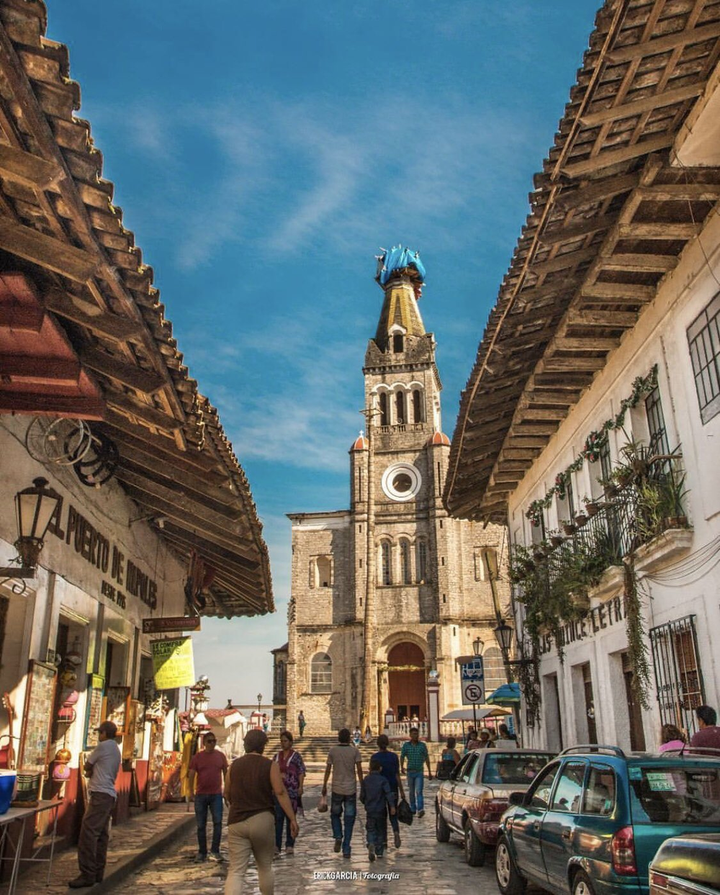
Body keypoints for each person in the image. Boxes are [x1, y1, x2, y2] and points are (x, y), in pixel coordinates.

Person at [224, 728, 297, 895]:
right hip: (262, 819)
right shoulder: (270, 765)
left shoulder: (234, 766)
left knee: (235, 870)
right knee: (265, 867)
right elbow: (280, 792)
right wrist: (292, 818)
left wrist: (235, 804)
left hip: (237, 821)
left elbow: (227, 793)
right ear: (263, 746)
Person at [69, 720, 121, 888]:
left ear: (104, 733)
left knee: (88, 834)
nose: (99, 735)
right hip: (108, 795)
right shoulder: (115, 748)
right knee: (101, 835)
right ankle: (98, 872)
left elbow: (87, 765)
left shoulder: (103, 746)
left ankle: (87, 874)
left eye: (100, 733)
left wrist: (90, 770)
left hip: (100, 794)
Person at [321, 728, 363, 858]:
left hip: (337, 788)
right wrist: (362, 786)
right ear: (349, 738)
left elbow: (328, 769)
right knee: (349, 819)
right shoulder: (354, 751)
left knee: (335, 815)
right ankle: (346, 848)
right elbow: (360, 770)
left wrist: (324, 785)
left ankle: (338, 835)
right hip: (350, 789)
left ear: (338, 737)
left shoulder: (333, 751)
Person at [188, 731, 229, 863]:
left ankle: (215, 851)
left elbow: (226, 773)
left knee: (218, 823)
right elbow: (192, 774)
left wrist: (227, 791)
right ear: (204, 743)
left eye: (214, 741)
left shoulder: (220, 756)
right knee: (201, 825)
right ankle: (202, 852)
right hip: (201, 795)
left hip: (216, 795)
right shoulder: (197, 757)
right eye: (209, 741)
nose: (212, 743)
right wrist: (190, 791)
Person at [273, 730, 305, 856]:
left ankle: (290, 844)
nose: (283, 743)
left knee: (291, 818)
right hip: (279, 791)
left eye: (285, 741)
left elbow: (301, 771)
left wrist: (301, 786)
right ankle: (277, 845)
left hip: (292, 792)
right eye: (281, 741)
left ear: (291, 742)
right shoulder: (276, 756)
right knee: (278, 819)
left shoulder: (296, 756)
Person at [370, 734, 405, 849]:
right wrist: (402, 791)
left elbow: (372, 776)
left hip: (379, 790)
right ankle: (396, 831)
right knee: (393, 813)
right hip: (393, 788)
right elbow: (397, 775)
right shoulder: (394, 757)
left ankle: (384, 841)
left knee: (382, 816)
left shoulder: (375, 758)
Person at [360, 760, 396, 861]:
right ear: (380, 769)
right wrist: (392, 806)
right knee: (380, 830)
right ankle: (379, 851)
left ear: (369, 769)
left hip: (370, 810)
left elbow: (362, 796)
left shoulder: (366, 780)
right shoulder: (383, 780)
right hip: (381, 809)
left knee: (370, 829)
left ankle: (371, 843)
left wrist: (366, 803)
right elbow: (388, 794)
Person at [399, 727, 432, 817]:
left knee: (419, 791)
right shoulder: (406, 745)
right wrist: (401, 767)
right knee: (411, 791)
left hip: (419, 771)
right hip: (410, 771)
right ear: (410, 735)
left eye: (417, 734)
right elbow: (402, 756)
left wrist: (429, 771)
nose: (415, 736)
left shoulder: (422, 746)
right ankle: (413, 807)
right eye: (413, 734)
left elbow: (426, 758)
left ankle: (420, 808)